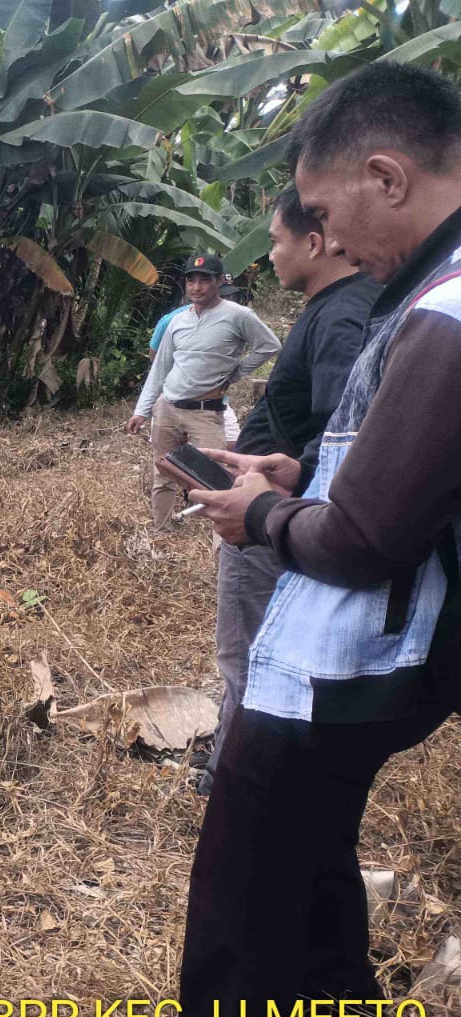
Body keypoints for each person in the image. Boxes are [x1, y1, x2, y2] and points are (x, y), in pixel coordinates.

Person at [101, 61, 461, 1017]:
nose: (324, 236)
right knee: (314, 827)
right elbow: (402, 478)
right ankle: (343, 1009)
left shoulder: (443, 314)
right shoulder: (424, 302)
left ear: (385, 177)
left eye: (320, 210)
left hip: (352, 649)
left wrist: (255, 518)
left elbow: (363, 541)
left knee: (244, 857)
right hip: (400, 653)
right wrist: (297, 476)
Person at [199, 187, 380, 793]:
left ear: (316, 240)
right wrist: (295, 466)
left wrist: (282, 488)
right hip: (279, 499)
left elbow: (347, 429)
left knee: (250, 652)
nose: (269, 253)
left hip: (271, 520)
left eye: (276, 241)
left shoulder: (343, 314)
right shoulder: (330, 307)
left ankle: (240, 779)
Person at [126, 255, 280, 531]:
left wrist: (236, 373)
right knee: (163, 472)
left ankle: (223, 544)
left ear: (219, 281)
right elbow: (160, 369)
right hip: (168, 407)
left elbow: (269, 345)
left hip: (206, 411)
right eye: (191, 280)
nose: (197, 287)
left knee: (216, 479)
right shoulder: (177, 321)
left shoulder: (238, 316)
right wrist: (141, 410)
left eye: (205, 280)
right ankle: (162, 530)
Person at [148, 303, 241, 446]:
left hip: (212, 401)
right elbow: (156, 359)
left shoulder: (232, 319)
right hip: (173, 400)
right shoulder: (171, 321)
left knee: (231, 444)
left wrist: (232, 375)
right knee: (169, 458)